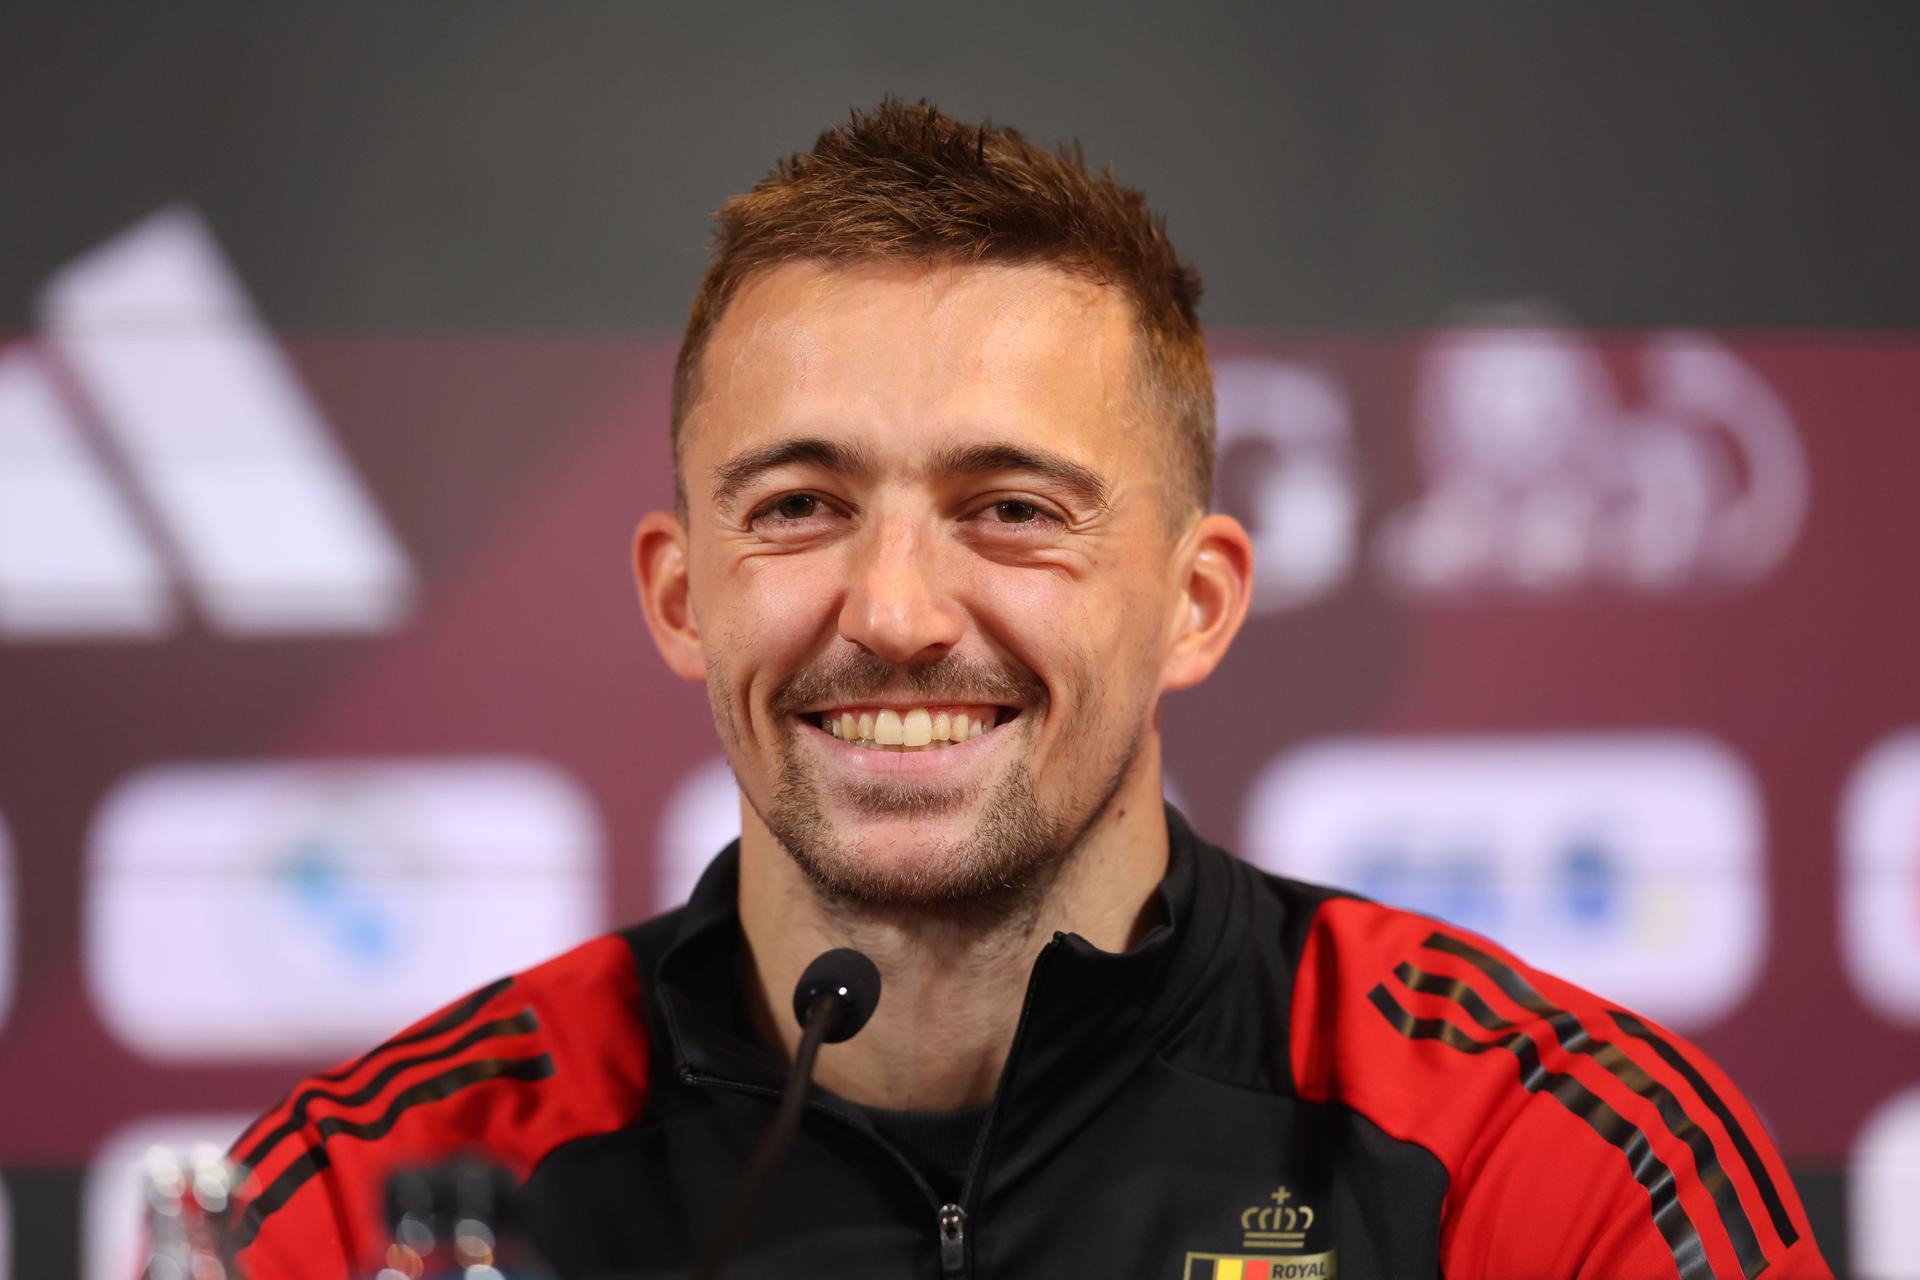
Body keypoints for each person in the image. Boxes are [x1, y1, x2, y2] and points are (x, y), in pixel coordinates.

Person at [223, 98, 1830, 1279]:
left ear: (1196, 605)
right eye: (798, 506)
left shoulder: (1541, 1151)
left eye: (1015, 510)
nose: (901, 612)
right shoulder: (374, 1198)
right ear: (679, 595)